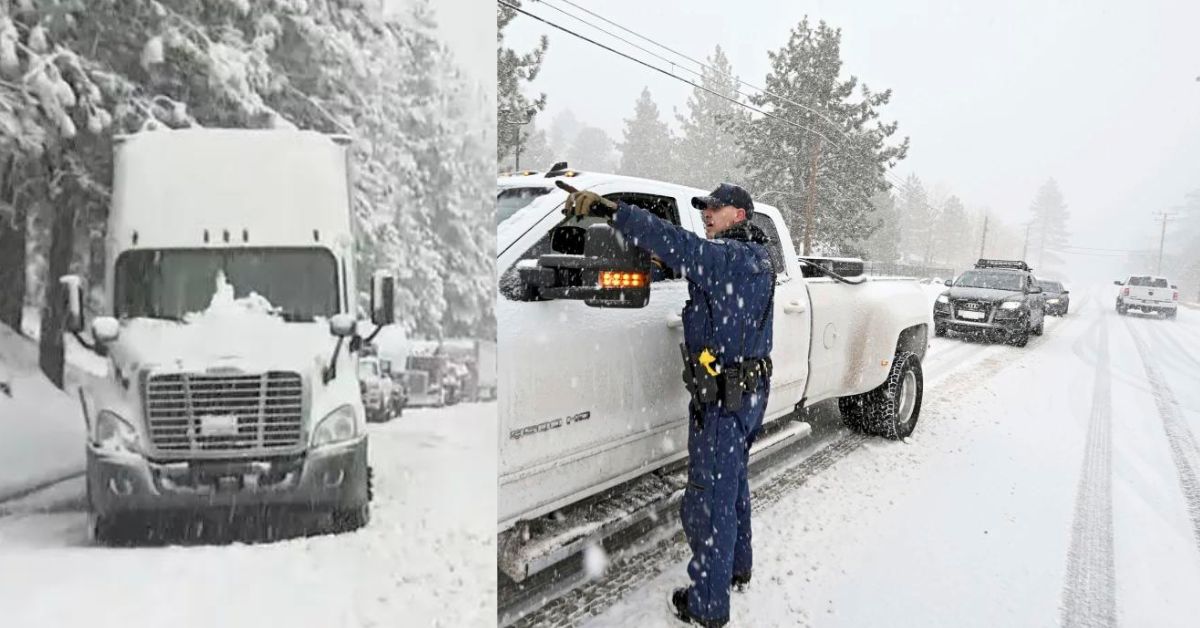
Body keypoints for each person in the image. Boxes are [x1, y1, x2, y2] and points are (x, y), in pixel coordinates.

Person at [560, 182, 775, 627]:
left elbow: (682, 245)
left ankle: (707, 606)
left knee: (707, 502)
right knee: (731, 487)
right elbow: (685, 261)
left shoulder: (727, 259)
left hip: (722, 401)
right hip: (747, 394)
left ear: (740, 214)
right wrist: (652, 264)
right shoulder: (751, 259)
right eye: (704, 208)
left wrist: (615, 212)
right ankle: (737, 567)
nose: (707, 213)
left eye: (716, 208)